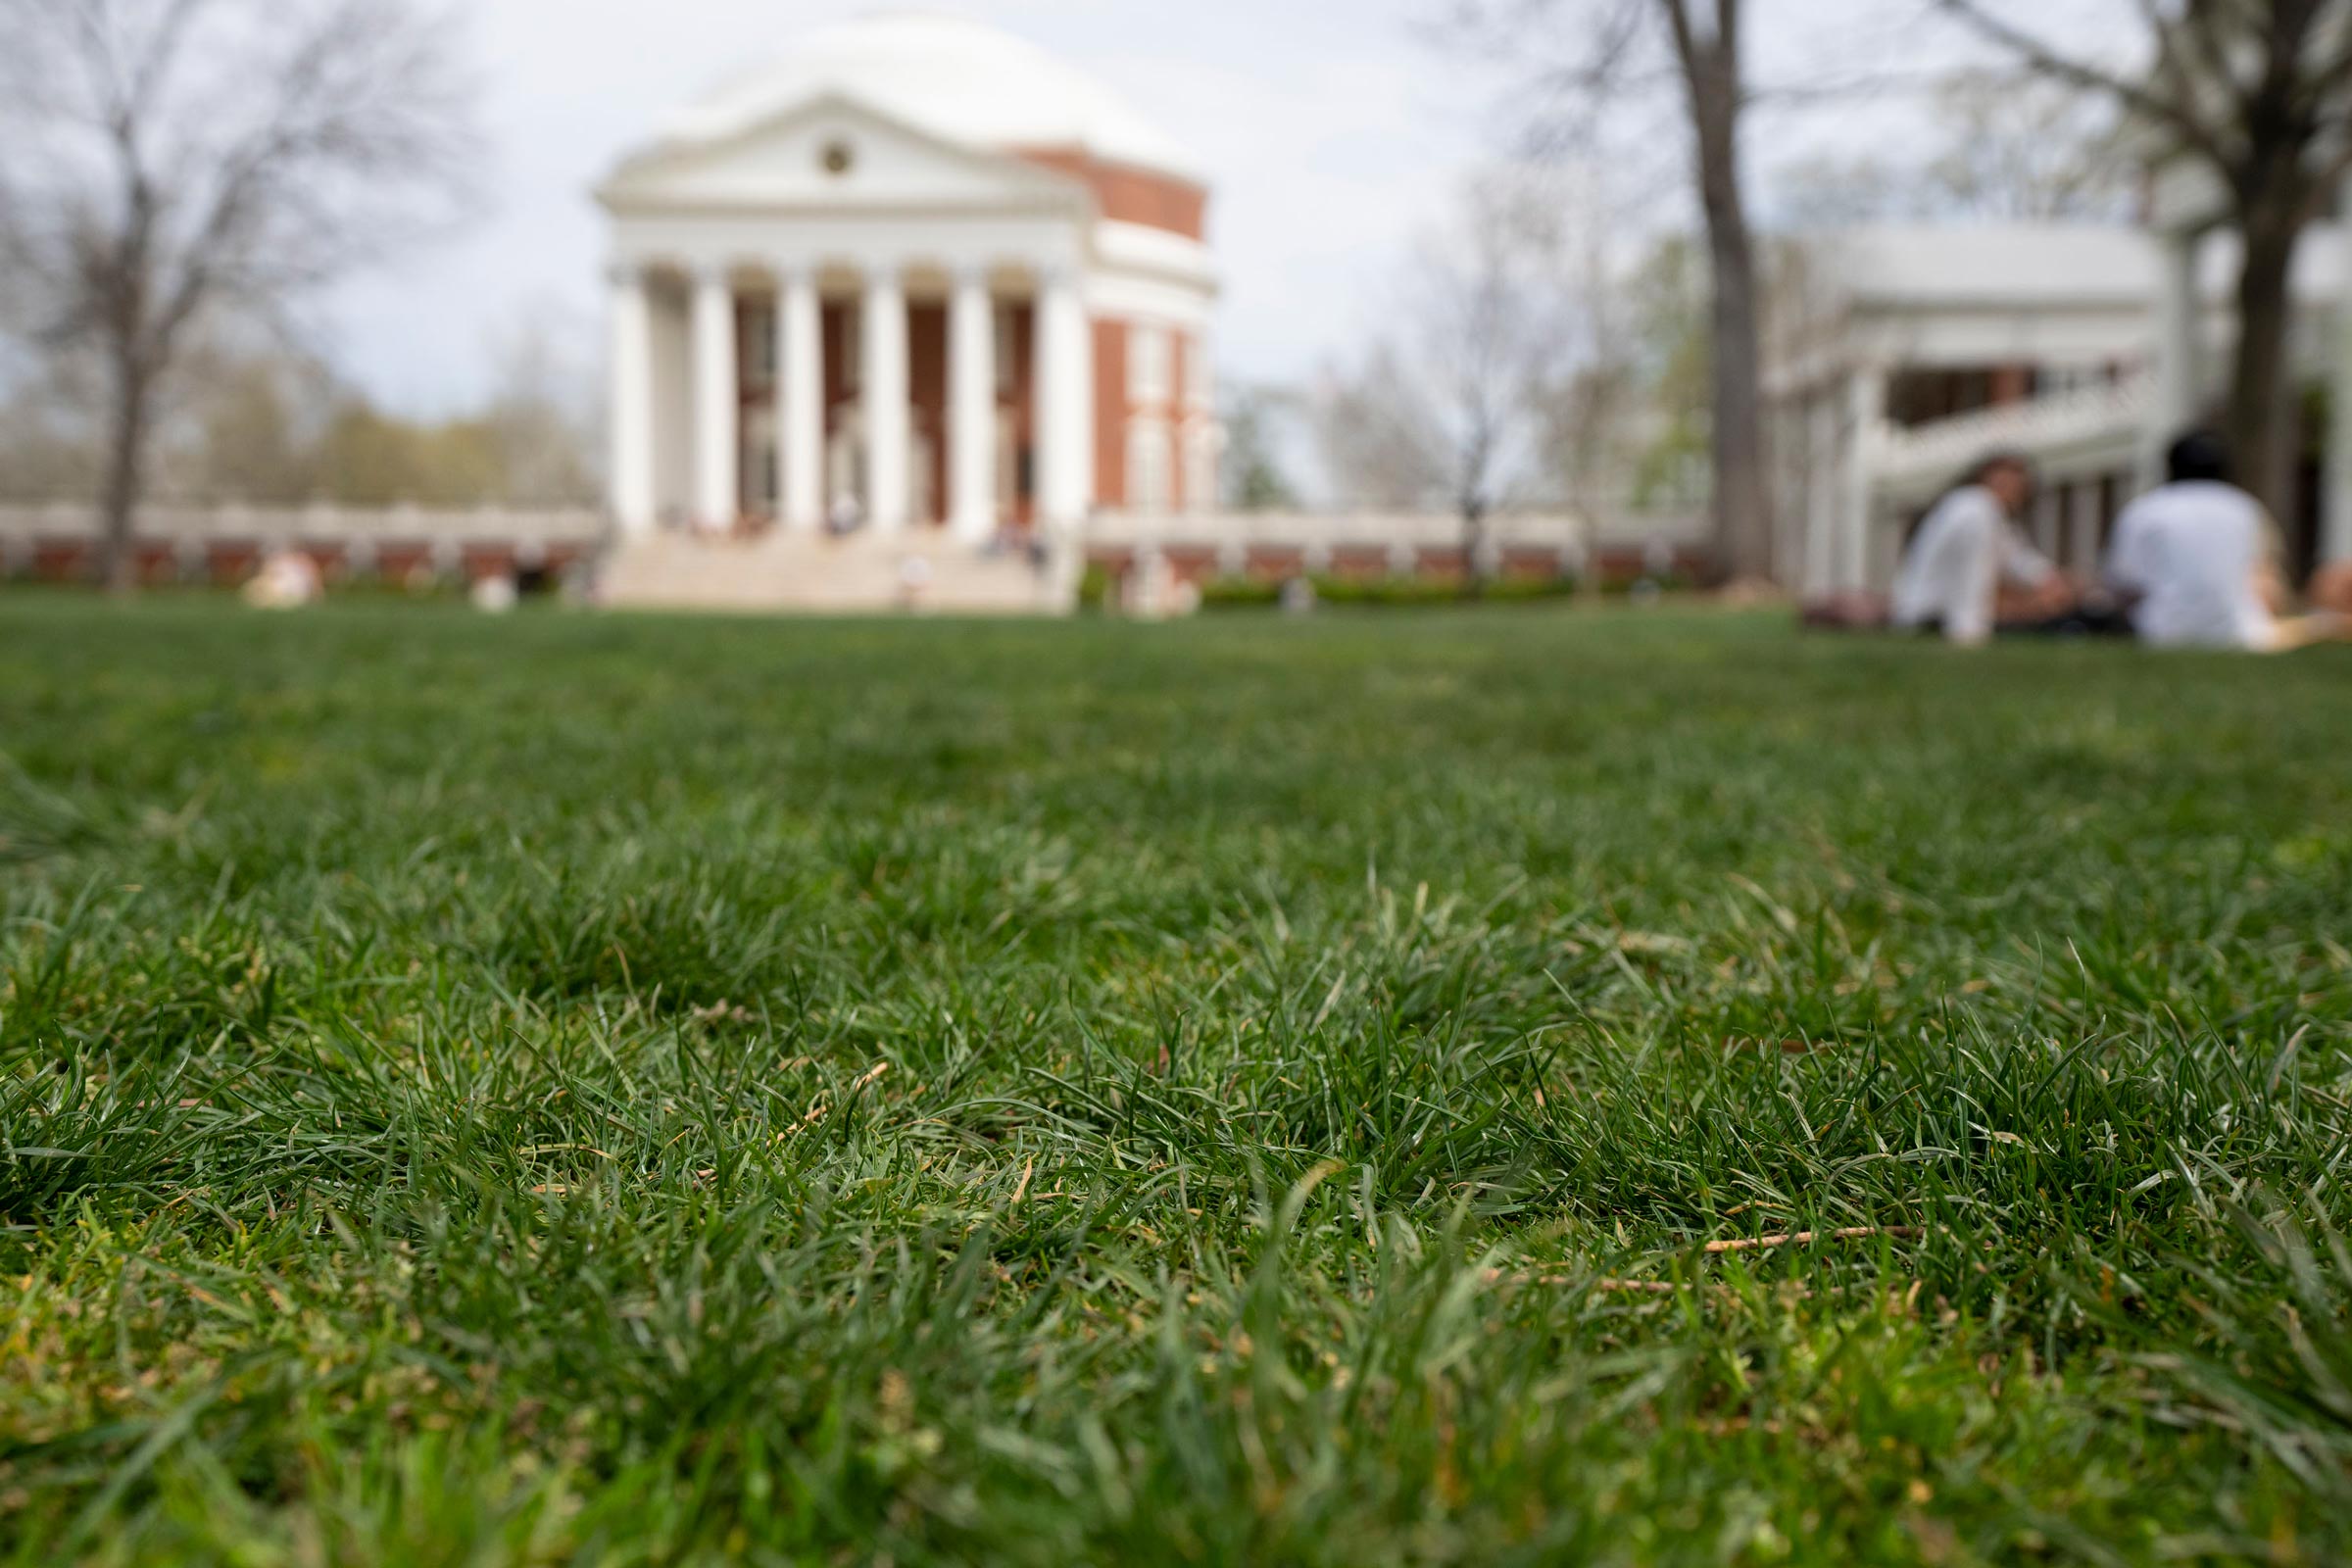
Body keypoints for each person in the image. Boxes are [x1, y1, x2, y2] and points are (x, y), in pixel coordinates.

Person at [2105, 432, 2350, 652]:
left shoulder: (2146, 510)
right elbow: (2262, 572)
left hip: (2160, 634)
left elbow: (2123, 581)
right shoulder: (2243, 508)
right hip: (2238, 632)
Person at [1889, 452, 2070, 644]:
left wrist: (2048, 579)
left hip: (1928, 619)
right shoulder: (1976, 507)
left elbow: (2015, 556)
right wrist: (1970, 632)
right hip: (1932, 621)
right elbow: (1973, 575)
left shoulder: (1979, 508)